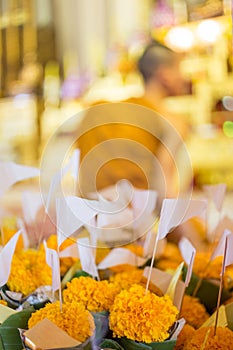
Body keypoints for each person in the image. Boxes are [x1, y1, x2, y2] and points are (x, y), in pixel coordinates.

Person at [75, 41, 192, 203]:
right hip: (140, 217)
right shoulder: (171, 122)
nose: (184, 77)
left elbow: (83, 176)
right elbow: (164, 190)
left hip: (93, 215)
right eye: (179, 69)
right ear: (164, 74)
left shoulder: (104, 111)